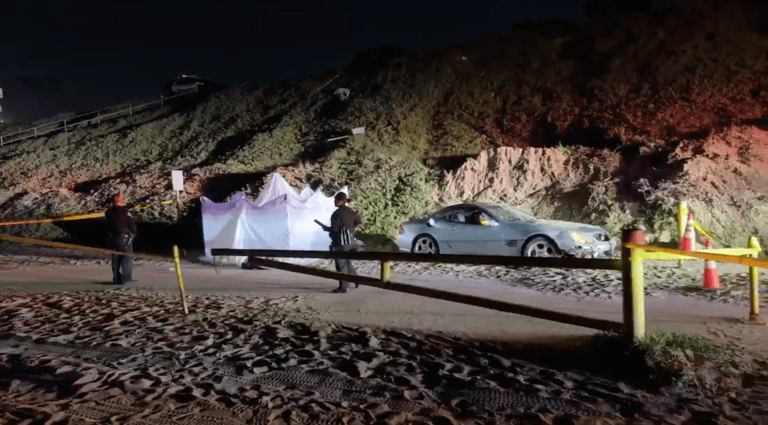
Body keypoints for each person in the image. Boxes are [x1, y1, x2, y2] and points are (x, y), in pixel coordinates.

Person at [315, 192, 362, 293]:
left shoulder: (337, 213)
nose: (334, 202)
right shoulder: (352, 211)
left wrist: (326, 228)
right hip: (352, 240)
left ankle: (343, 287)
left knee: (341, 264)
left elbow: (335, 229)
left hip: (341, 242)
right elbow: (358, 221)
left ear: (340, 201)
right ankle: (356, 279)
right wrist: (352, 229)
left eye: (335, 200)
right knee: (347, 261)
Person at [105, 194, 137, 285]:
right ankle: (126, 278)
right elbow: (132, 225)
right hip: (125, 238)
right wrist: (134, 234)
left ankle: (116, 278)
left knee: (116, 259)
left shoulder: (109, 212)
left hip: (113, 238)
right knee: (126, 258)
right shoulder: (125, 212)